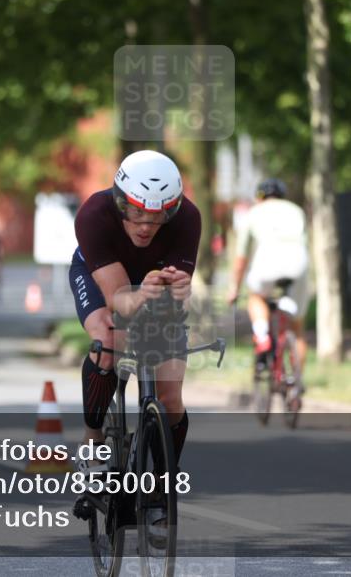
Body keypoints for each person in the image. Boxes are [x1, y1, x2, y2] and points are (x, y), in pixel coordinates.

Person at [68, 150, 199, 514]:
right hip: (105, 281)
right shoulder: (94, 215)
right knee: (110, 337)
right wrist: (140, 294)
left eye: (158, 216)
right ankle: (93, 442)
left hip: (152, 284)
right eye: (136, 211)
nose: (145, 225)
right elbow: (120, 301)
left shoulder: (188, 218)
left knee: (171, 394)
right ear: (120, 200)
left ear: (172, 209)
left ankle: (160, 481)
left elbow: (177, 310)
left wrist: (180, 293)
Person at [227, 178, 311, 391]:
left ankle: (263, 334)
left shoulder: (253, 213)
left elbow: (241, 258)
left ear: (259, 197)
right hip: (298, 263)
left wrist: (234, 288)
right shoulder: (296, 210)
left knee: (255, 296)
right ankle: (296, 383)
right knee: (298, 328)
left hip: (267, 262)